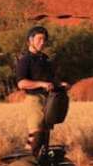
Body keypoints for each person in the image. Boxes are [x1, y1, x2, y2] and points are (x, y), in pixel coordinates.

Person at [15, 26, 69, 157]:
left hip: (49, 100)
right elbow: (21, 83)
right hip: (34, 99)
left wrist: (60, 84)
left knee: (45, 135)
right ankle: (26, 161)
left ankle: (39, 163)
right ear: (30, 40)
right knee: (37, 133)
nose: (42, 42)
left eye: (44, 40)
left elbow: (51, 80)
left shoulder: (45, 59)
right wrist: (41, 84)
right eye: (39, 39)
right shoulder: (25, 60)